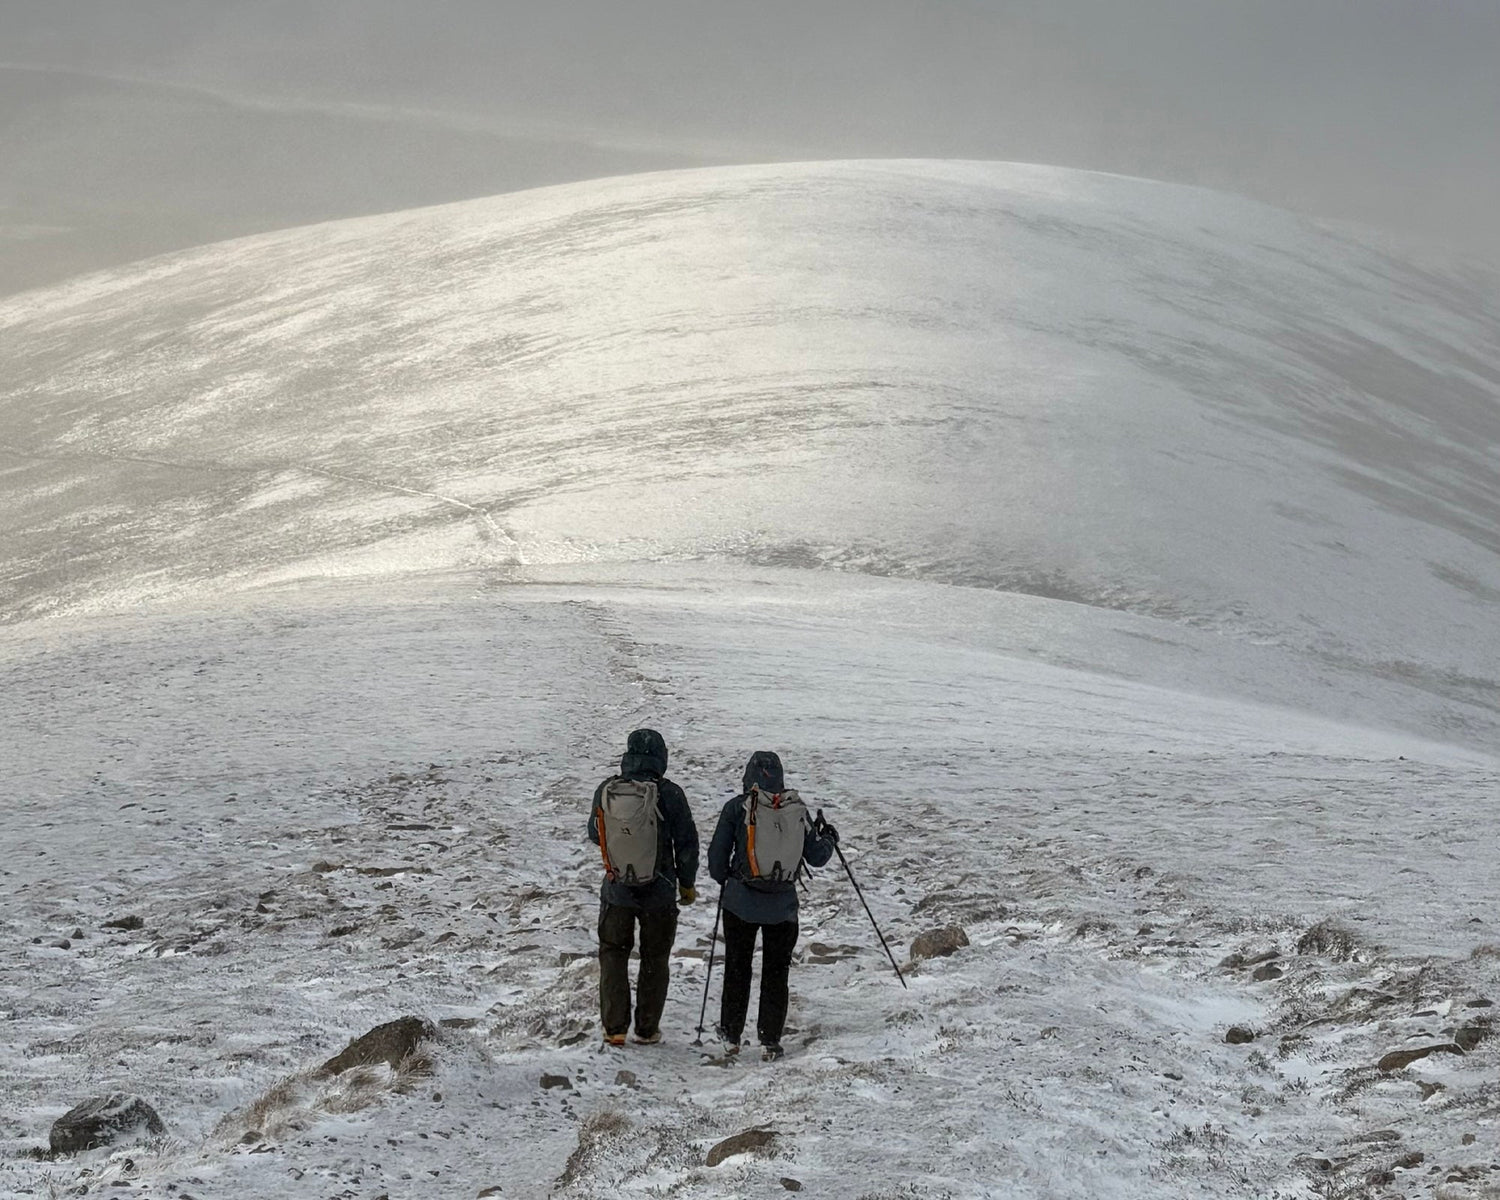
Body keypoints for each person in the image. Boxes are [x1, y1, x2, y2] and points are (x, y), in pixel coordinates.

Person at [707, 750, 836, 1061]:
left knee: (738, 968)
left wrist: (731, 879)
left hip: (740, 904)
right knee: (776, 972)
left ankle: (731, 1035)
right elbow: (817, 858)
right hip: (783, 908)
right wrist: (830, 837)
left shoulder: (737, 808)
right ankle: (770, 1040)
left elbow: (715, 863)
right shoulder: (797, 810)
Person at [588, 728, 699, 1047]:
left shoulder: (607, 789)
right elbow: (687, 844)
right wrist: (686, 885)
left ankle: (615, 1029)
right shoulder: (671, 793)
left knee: (613, 956)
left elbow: (596, 833)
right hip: (659, 893)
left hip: (616, 889)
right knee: (654, 958)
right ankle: (647, 1030)